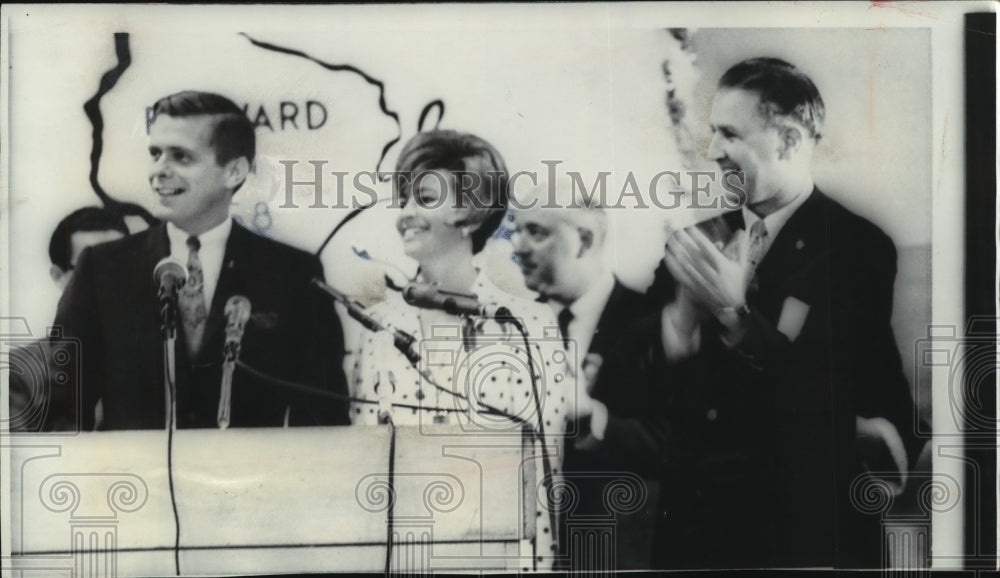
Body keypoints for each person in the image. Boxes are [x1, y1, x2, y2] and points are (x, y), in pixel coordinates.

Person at [592, 57, 923, 569]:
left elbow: (821, 392)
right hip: (695, 539)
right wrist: (676, 328)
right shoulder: (694, 243)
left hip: (803, 538)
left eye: (729, 134)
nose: (712, 151)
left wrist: (732, 313)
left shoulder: (856, 249)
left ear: (788, 142)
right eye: (712, 132)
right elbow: (622, 385)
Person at [44, 90, 349, 431]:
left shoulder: (293, 274)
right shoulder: (101, 269)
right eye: (156, 154)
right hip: (135, 483)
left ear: (234, 171)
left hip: (253, 482)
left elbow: (325, 418)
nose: (158, 171)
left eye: (181, 157)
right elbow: (62, 412)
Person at [349, 130, 572, 570]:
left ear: (472, 215)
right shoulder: (379, 328)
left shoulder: (531, 325)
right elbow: (365, 472)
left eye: (425, 198)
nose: (406, 214)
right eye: (405, 199)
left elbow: (546, 477)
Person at [510, 182, 654, 570]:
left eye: (536, 232)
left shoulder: (654, 323)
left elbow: (679, 444)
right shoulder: (510, 330)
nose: (517, 247)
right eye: (515, 231)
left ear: (584, 239)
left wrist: (595, 417)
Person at [8, 207, 129, 432]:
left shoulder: (163, 360)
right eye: (92, 268)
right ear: (58, 277)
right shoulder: (19, 374)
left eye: (121, 266)